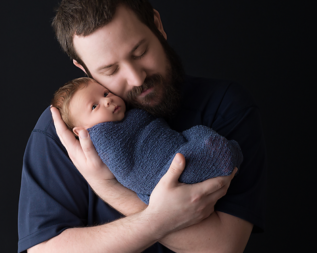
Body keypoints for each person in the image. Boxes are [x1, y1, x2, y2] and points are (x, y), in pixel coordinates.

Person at [18, 0, 266, 252]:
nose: (136, 77)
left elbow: (221, 248)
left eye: (140, 52)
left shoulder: (225, 105)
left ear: (157, 24)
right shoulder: (66, 128)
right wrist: (157, 219)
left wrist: (111, 189)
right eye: (110, 70)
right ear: (83, 68)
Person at [51, 77, 243, 204]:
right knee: (199, 157)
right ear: (81, 130)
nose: (107, 101)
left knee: (198, 134)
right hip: (158, 172)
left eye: (105, 93)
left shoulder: (129, 111)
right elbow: (124, 165)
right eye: (94, 106)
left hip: (175, 145)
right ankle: (222, 157)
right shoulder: (101, 137)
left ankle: (218, 153)